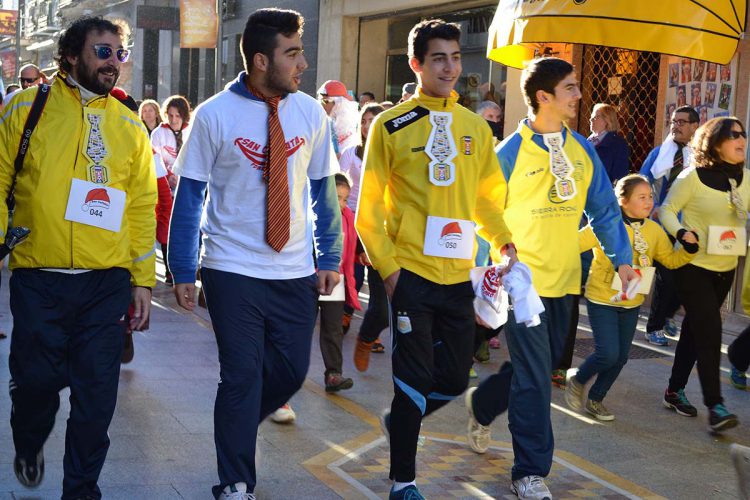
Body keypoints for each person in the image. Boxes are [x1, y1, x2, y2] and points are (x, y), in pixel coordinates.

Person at [167, 8, 341, 499]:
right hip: (231, 268)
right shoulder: (214, 114)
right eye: (293, 53)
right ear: (262, 60)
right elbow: (191, 196)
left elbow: (323, 190)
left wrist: (329, 256)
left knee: (289, 373)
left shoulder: (310, 112)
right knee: (240, 375)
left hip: (295, 269)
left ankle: (238, 422)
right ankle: (236, 479)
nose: (303, 64)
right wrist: (184, 266)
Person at [355, 19, 514, 500]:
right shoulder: (390, 125)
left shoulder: (475, 127)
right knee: (413, 379)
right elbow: (370, 211)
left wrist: (503, 240)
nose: (449, 66)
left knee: (451, 377)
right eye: (438, 58)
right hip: (411, 276)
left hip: (459, 277)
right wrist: (389, 270)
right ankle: (403, 482)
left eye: (455, 57)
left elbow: (486, 199)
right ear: (416, 64)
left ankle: (402, 418)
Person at [463, 57, 636, 499]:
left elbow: (603, 209)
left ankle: (482, 404)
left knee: (534, 371)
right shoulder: (508, 153)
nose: (579, 95)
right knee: (536, 380)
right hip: (524, 286)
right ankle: (530, 471)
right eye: (571, 88)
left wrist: (622, 258)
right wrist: (487, 283)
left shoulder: (583, 149)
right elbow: (484, 216)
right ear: (544, 97)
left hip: (566, 283)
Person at [0, 16, 156, 498]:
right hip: (38, 277)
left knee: (96, 397)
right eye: (102, 52)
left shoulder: (130, 125)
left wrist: (142, 279)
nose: (113, 63)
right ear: (71, 55)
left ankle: (81, 488)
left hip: (103, 283)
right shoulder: (25, 109)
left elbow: (141, 206)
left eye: (119, 54)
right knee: (36, 386)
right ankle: (29, 442)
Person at [566, 174, 696, 420]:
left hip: (632, 301)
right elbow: (572, 244)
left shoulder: (654, 230)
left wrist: (688, 249)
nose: (649, 202)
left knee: (621, 357)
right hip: (602, 298)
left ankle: (596, 398)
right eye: (642, 197)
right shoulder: (605, 225)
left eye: (650, 197)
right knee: (608, 353)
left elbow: (669, 260)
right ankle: (578, 379)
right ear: (623, 201)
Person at [659, 116, 748, 433]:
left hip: (725, 270)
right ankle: (716, 407)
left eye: (743, 134)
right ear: (716, 142)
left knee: (695, 330)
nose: (741, 139)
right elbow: (665, 210)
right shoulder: (692, 178)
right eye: (733, 134)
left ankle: (673, 389)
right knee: (710, 331)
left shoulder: (745, 179)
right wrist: (682, 232)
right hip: (693, 266)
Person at [640, 106, 699, 346]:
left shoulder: (699, 156)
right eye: (674, 121)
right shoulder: (659, 154)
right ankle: (654, 326)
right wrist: (650, 205)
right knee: (664, 277)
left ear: (695, 126)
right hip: (659, 226)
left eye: (682, 122)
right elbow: (642, 181)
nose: (676, 126)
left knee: (681, 279)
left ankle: (665, 315)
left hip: (688, 228)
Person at [339, 102, 386, 347]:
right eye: (364, 121)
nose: (368, 126)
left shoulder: (390, 149)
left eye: (373, 120)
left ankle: (372, 331)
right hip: (352, 217)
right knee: (354, 272)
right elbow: (339, 180)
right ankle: (346, 314)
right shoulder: (352, 152)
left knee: (378, 282)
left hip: (379, 222)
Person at [317, 172, 360, 392]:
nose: (342, 203)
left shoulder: (348, 217)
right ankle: (285, 374)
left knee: (333, 328)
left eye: (345, 198)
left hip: (336, 279)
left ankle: (333, 374)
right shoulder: (313, 215)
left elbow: (355, 242)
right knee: (299, 328)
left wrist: (362, 255)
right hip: (310, 277)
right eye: (337, 198)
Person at [151, 95, 190, 285]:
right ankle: (168, 270)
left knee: (185, 230)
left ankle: (186, 267)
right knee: (165, 229)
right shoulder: (159, 133)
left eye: (177, 116)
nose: (174, 120)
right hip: (166, 187)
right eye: (170, 115)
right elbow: (155, 158)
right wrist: (168, 175)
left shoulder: (190, 131)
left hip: (186, 187)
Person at [588, 103, 630, 184]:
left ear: (607, 120)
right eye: (591, 116)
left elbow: (620, 176)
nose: (591, 119)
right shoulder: (587, 141)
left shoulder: (618, 144)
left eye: (596, 117)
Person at [317, 79, 359, 153]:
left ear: (339, 103)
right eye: (321, 101)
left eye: (325, 101)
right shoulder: (321, 120)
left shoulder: (352, 125)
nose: (322, 104)